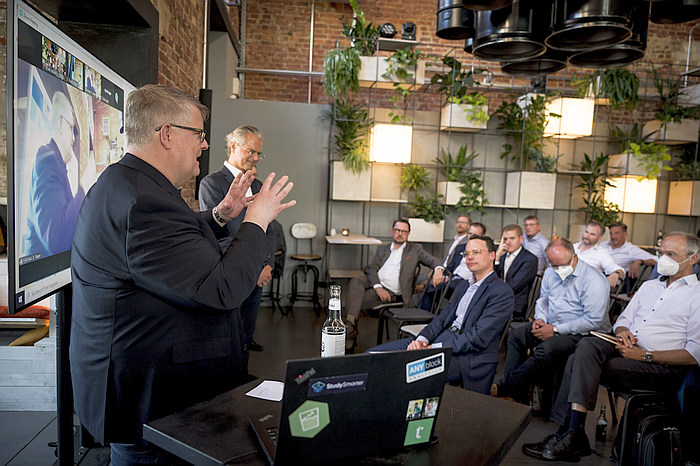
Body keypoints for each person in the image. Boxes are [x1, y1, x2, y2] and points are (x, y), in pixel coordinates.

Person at [69, 84, 295, 465]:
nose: (205, 146)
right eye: (199, 135)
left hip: (151, 391)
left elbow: (177, 241)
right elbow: (220, 288)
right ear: (168, 134)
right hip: (150, 404)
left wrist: (221, 214)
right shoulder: (143, 202)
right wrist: (256, 221)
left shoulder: (133, 183)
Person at [524, 232, 700, 462]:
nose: (662, 259)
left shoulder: (696, 296)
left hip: (658, 367)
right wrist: (624, 332)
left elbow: (694, 354)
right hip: (626, 349)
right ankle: (571, 434)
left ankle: (568, 434)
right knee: (587, 345)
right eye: (660, 253)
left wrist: (645, 355)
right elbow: (622, 321)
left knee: (577, 361)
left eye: (670, 254)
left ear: (693, 259)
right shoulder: (649, 287)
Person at [368, 235, 515, 393]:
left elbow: (477, 338)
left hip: (468, 355)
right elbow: (442, 318)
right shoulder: (463, 285)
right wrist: (422, 340)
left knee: (405, 372)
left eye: (476, 252)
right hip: (443, 340)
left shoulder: (501, 292)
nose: (470, 257)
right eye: (466, 254)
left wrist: (434, 348)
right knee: (371, 357)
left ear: (492, 255)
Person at [492, 237, 611, 403]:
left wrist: (555, 330)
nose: (558, 269)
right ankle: (515, 395)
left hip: (584, 333)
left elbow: (593, 321)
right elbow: (544, 301)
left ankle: (508, 387)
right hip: (552, 324)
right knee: (516, 336)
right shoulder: (550, 273)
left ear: (574, 257)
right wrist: (541, 319)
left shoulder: (594, 280)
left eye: (562, 265)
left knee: (546, 349)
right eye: (554, 265)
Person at [198, 125, 276, 355]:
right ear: (233, 145)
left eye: (259, 153)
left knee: (247, 329)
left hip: (257, 271)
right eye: (251, 151)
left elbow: (269, 230)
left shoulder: (259, 186)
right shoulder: (211, 184)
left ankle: (244, 373)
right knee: (228, 333)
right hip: (229, 271)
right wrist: (253, 266)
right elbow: (220, 234)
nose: (255, 158)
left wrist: (267, 264)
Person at [345, 219, 443, 351]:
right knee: (355, 281)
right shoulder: (383, 249)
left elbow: (433, 260)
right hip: (377, 284)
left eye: (404, 231)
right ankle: (350, 324)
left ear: (408, 234)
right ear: (392, 232)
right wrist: (378, 286)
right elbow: (372, 268)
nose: (400, 234)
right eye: (397, 230)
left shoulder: (415, 250)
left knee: (356, 299)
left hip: (391, 292)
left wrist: (438, 269)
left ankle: (349, 332)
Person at [22, 91, 95, 258]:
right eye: (72, 129)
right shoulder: (46, 158)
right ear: (61, 123)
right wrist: (85, 186)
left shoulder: (55, 162)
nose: (74, 139)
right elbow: (57, 240)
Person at [419, 222, 485, 310]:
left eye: (475, 235)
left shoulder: (484, 251)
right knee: (430, 288)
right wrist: (444, 274)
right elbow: (450, 267)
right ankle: (426, 317)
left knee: (440, 289)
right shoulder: (460, 247)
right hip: (453, 278)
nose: (471, 236)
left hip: (467, 282)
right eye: (470, 233)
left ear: (483, 237)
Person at [494, 224, 538, 321]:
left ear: (521, 239)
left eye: (512, 238)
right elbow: (491, 278)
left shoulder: (530, 259)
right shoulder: (501, 256)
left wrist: (493, 294)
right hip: (498, 299)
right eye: (505, 239)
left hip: (515, 305)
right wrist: (497, 257)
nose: (508, 242)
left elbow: (514, 286)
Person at [600, 222, 657, 287]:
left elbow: (656, 259)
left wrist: (640, 262)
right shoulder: (602, 244)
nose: (613, 237)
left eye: (616, 233)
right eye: (611, 233)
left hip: (611, 281)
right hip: (594, 274)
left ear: (625, 234)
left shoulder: (631, 250)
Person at [573, 221, 625, 288]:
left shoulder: (601, 253)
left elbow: (620, 271)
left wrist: (616, 273)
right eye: (586, 232)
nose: (587, 236)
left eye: (592, 234)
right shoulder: (571, 247)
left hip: (584, 289)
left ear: (599, 237)